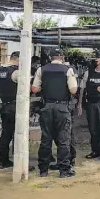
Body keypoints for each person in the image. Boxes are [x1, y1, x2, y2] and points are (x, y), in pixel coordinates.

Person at [31, 49, 78, 178]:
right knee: (63, 140)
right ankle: (64, 170)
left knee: (46, 139)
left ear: (50, 58)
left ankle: (43, 170)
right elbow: (73, 90)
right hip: (62, 108)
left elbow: (34, 88)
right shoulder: (67, 70)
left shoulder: (42, 69)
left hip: (46, 107)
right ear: (62, 57)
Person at [49, 61, 78, 171]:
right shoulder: (64, 70)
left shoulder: (69, 70)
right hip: (62, 106)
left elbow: (74, 90)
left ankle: (69, 160)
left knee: (66, 136)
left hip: (66, 106)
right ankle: (62, 161)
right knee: (59, 136)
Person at [0, 51, 20, 169]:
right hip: (15, 107)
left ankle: (3, 161)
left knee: (6, 135)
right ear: (18, 59)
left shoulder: (0, 70)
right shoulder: (15, 72)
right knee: (18, 135)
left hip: (5, 106)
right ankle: (19, 163)